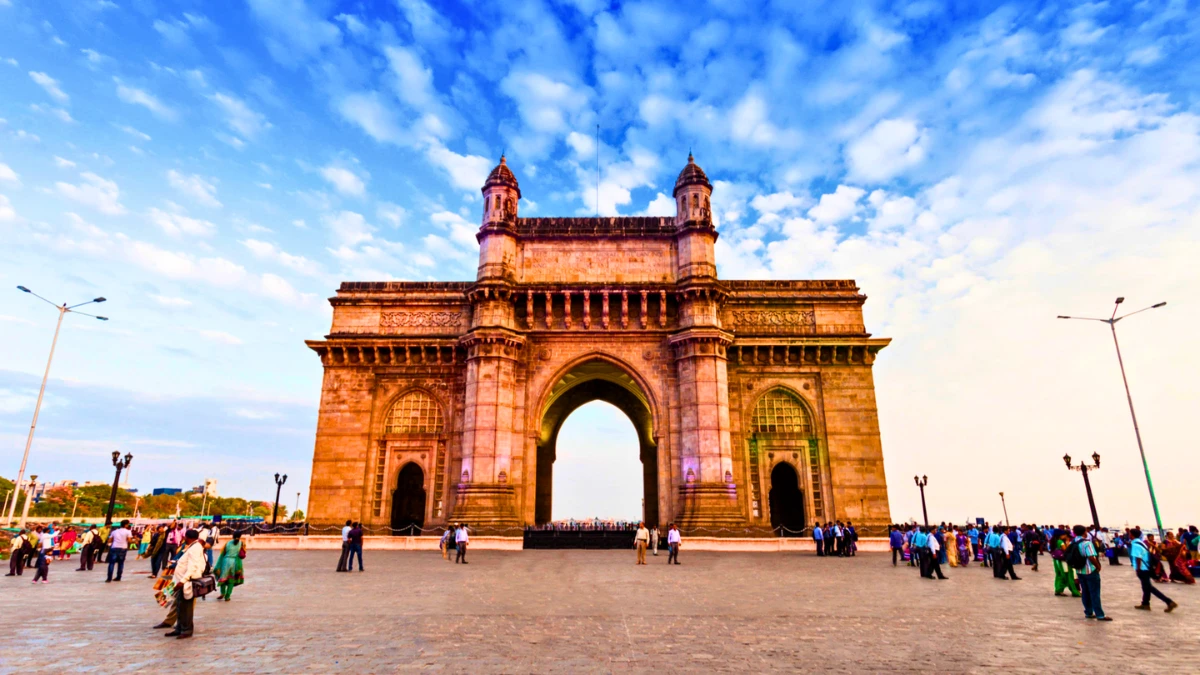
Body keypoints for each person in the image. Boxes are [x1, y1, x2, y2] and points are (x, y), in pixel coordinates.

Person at [165, 529, 206, 639]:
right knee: (180, 606)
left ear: (188, 537)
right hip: (181, 581)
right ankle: (179, 628)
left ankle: (186, 630)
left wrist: (183, 581)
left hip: (187, 582)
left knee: (186, 608)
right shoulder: (192, 547)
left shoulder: (195, 548)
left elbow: (192, 566)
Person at [1130, 528, 1177, 612]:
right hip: (1147, 567)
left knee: (1149, 587)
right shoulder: (1141, 543)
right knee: (1146, 587)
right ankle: (1145, 604)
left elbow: (1138, 558)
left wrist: (1138, 569)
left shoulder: (1135, 545)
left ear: (1132, 535)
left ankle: (1169, 601)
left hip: (1142, 568)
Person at [1069, 524, 1110, 621]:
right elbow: (1091, 556)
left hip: (1079, 570)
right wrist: (1098, 566)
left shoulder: (1073, 542)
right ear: (1084, 532)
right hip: (1090, 570)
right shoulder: (1087, 543)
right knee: (1095, 593)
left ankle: (1088, 612)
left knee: (1085, 592)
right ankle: (1100, 614)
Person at [215, 531, 246, 601]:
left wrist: (218, 565)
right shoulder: (242, 544)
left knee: (223, 577)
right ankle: (227, 596)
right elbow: (243, 554)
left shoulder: (227, 543)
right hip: (236, 562)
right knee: (231, 580)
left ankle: (222, 592)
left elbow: (222, 553)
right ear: (240, 536)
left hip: (226, 561)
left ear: (232, 536)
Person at [1051, 533, 1080, 597]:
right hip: (1063, 561)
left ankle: (1058, 589)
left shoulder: (1054, 541)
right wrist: (1067, 544)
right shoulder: (1060, 541)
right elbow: (1065, 550)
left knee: (1059, 575)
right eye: (1064, 535)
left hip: (1057, 560)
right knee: (1066, 575)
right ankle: (1072, 590)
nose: (1065, 536)